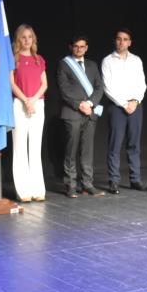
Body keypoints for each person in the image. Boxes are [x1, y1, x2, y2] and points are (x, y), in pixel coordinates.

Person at [101, 27, 147, 194]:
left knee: (134, 144)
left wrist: (135, 101)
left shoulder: (136, 60)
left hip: (135, 106)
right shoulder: (108, 61)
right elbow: (108, 87)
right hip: (117, 107)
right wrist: (124, 104)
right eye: (119, 38)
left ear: (130, 42)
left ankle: (135, 180)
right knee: (115, 144)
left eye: (125, 39)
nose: (121, 42)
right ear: (115, 40)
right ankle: (113, 181)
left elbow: (142, 84)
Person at [57, 34, 104, 197]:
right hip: (72, 113)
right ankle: (70, 185)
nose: (79, 49)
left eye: (82, 46)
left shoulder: (92, 65)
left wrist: (89, 104)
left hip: (89, 113)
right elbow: (64, 89)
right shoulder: (64, 64)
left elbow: (99, 87)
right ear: (71, 47)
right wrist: (80, 105)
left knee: (87, 150)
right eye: (76, 46)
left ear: (86, 48)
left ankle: (87, 184)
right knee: (71, 151)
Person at [9, 24, 48, 202]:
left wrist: (33, 101)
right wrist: (25, 100)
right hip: (20, 104)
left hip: (37, 104)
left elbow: (44, 84)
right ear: (18, 40)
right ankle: (23, 190)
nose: (27, 40)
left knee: (35, 147)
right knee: (20, 147)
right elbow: (11, 83)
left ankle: (37, 189)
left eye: (29, 37)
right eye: (23, 37)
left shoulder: (39, 59)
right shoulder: (13, 59)